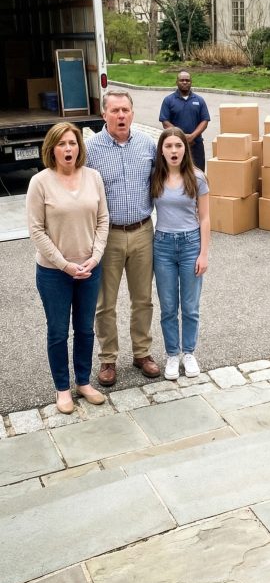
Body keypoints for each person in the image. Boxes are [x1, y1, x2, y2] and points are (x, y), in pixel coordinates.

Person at [26, 123, 109, 414]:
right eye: (61, 144)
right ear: (52, 149)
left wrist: (95, 257)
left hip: (89, 269)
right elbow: (36, 230)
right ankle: (63, 389)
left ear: (79, 146)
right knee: (58, 331)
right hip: (53, 273)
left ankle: (84, 382)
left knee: (85, 329)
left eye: (72, 143)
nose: (68, 149)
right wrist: (64, 265)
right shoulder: (40, 182)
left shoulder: (93, 177)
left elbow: (103, 220)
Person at [86, 90, 159, 387]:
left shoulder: (147, 145)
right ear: (104, 114)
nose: (121, 116)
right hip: (108, 236)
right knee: (106, 303)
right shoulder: (90, 149)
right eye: (114, 110)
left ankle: (142, 353)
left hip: (143, 231)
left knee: (143, 299)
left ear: (132, 113)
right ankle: (108, 358)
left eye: (125, 110)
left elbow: (164, 179)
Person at [151, 127, 210, 379]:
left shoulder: (197, 177)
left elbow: (205, 218)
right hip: (162, 245)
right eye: (168, 146)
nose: (174, 151)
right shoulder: (154, 176)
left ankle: (189, 352)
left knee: (190, 306)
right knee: (167, 307)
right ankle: (172, 355)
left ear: (185, 149)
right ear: (161, 150)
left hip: (190, 244)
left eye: (178, 146)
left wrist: (204, 253)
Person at [159, 70, 210, 171]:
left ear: (191, 82)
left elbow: (205, 121)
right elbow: (165, 122)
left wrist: (192, 136)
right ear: (177, 82)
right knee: (178, 172)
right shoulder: (168, 100)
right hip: (175, 146)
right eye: (182, 80)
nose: (185, 82)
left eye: (187, 80)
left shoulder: (199, 100)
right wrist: (181, 136)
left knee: (198, 173)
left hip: (196, 145)